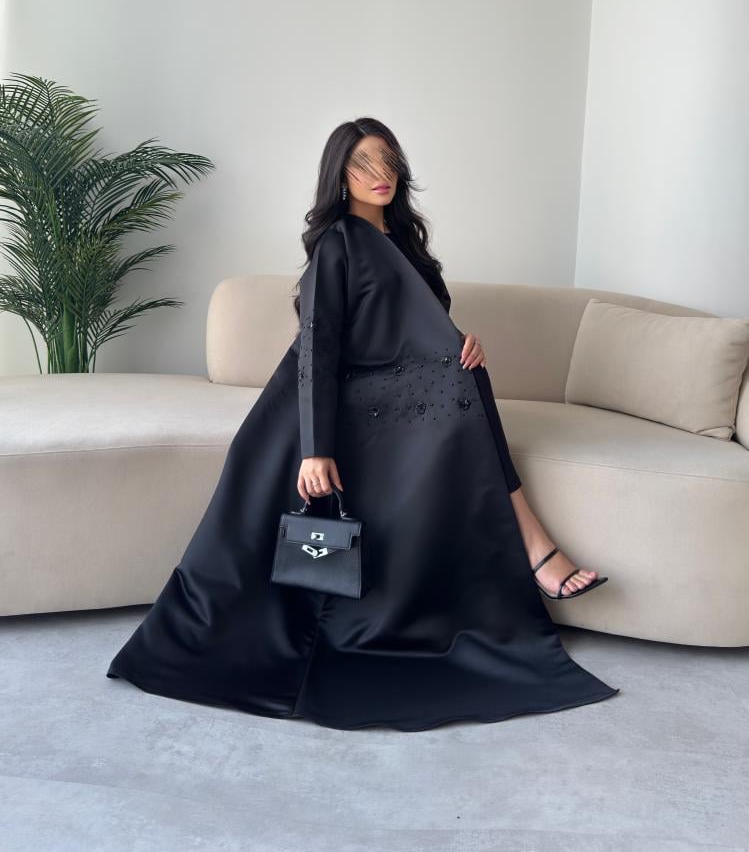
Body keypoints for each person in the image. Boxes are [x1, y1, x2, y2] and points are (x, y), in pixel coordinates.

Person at [107, 116, 619, 731]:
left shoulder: (407, 245)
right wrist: (316, 448)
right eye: (362, 164)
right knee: (462, 389)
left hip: (390, 387)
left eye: (387, 160)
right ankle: (537, 552)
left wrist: (461, 344)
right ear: (339, 176)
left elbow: (413, 332)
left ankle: (531, 552)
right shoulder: (339, 242)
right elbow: (318, 346)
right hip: (338, 398)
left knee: (468, 377)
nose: (380, 174)